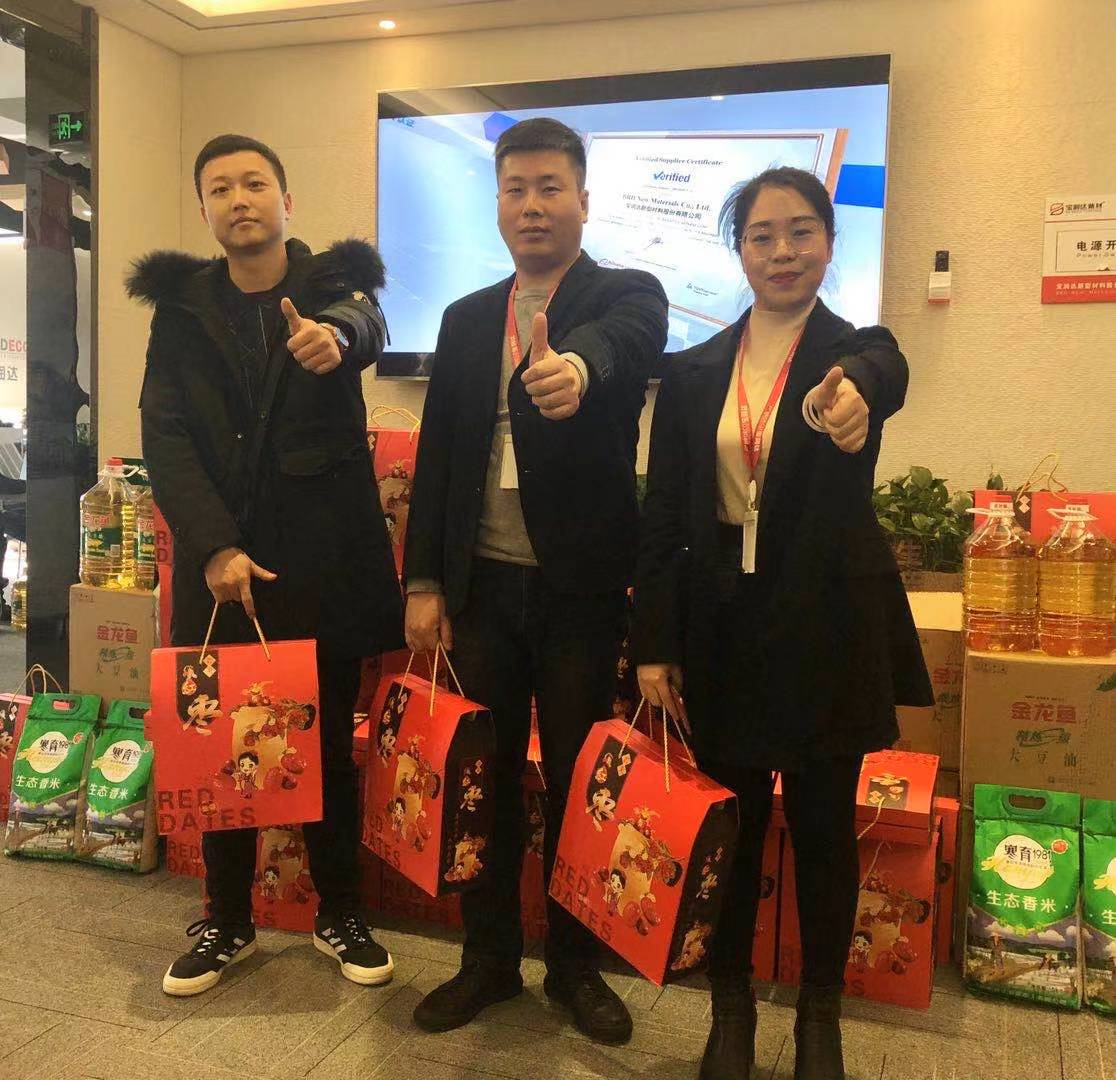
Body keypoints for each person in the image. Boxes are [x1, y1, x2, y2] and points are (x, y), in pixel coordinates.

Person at [631, 167, 932, 1080]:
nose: (783, 251)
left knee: (825, 830)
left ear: (829, 244)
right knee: (732, 827)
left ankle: (818, 1020)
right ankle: (729, 1013)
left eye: (801, 232)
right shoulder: (694, 371)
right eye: (762, 235)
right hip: (722, 623)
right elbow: (664, 518)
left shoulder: (855, 353)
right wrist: (654, 644)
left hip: (825, 623)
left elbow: (887, 368)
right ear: (739, 251)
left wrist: (860, 394)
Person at [404, 117, 668, 1044]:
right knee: (482, 778)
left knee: (576, 781)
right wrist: (424, 580)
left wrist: (577, 369)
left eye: (550, 187)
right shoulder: (466, 317)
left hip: (578, 594)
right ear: (498, 204)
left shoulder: (626, 292)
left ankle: (574, 967)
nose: (532, 205)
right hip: (481, 589)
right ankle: (488, 960)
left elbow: (626, 340)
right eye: (515, 189)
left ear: (583, 200)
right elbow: (440, 455)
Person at [132, 133, 403, 997]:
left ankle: (339, 913)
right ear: (205, 210)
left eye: (254, 183)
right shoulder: (181, 311)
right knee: (219, 745)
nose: (239, 199)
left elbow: (368, 324)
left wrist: (336, 338)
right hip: (221, 565)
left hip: (321, 561)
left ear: (286, 201)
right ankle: (227, 921)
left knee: (324, 744)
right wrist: (214, 546)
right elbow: (165, 435)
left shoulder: (334, 286)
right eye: (220, 189)